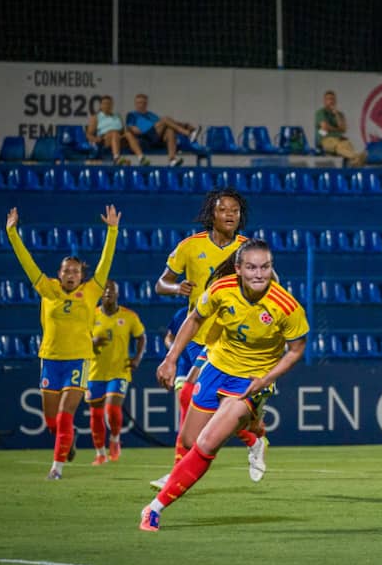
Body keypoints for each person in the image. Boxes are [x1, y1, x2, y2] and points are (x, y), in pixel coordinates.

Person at [140, 238, 309, 531]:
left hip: (252, 379)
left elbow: (295, 350)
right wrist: (170, 358)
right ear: (239, 269)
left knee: (207, 442)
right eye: (252, 267)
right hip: (217, 367)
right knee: (191, 441)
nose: (259, 274)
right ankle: (254, 436)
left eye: (266, 267)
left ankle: (154, 509)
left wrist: (266, 380)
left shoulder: (287, 306)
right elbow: (194, 319)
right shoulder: (220, 289)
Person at [150, 188, 267, 488]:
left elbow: (271, 282)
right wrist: (177, 289)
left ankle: (177, 473)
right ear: (211, 214)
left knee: (190, 397)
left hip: (227, 340)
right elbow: (161, 283)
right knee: (198, 404)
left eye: (235, 211)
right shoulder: (190, 246)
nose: (230, 215)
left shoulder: (246, 249)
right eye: (224, 209)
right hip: (193, 336)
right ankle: (253, 439)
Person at [6, 204, 121, 480]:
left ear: (82, 276)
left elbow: (106, 260)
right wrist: (12, 233)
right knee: (51, 421)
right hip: (50, 359)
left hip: (78, 359)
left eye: (75, 272)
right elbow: (27, 263)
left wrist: (112, 230)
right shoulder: (48, 289)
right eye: (67, 271)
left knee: (65, 413)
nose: (71, 275)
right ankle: (66, 442)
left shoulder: (91, 291)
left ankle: (56, 469)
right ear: (60, 273)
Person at [86, 280, 146, 465]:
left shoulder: (129, 316)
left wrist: (136, 358)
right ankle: (100, 453)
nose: (107, 294)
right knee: (96, 414)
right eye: (104, 292)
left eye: (111, 291)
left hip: (119, 371)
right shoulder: (91, 315)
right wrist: (92, 343)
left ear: (117, 294)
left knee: (112, 408)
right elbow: (79, 339)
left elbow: (141, 337)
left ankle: (114, 439)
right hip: (94, 372)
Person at [125, 93, 201, 168]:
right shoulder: (132, 115)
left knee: (170, 129)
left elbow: (167, 123)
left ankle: (172, 160)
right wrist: (150, 128)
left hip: (156, 137)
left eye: (144, 103)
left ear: (146, 104)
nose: (141, 105)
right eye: (139, 103)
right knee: (165, 119)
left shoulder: (151, 115)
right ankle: (188, 134)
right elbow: (135, 130)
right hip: (145, 137)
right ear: (135, 104)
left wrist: (185, 124)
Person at [86, 95, 149, 166]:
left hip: (119, 138)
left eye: (109, 104)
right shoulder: (96, 117)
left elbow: (123, 130)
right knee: (114, 133)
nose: (107, 105)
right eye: (105, 104)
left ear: (112, 105)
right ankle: (116, 158)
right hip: (105, 140)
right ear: (101, 106)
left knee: (128, 134)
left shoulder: (117, 116)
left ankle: (141, 158)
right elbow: (89, 134)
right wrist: (95, 139)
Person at [315, 90, 367, 167]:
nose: (331, 101)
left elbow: (344, 129)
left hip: (339, 139)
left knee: (348, 145)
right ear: (325, 101)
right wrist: (338, 129)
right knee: (339, 146)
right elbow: (325, 127)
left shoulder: (340, 114)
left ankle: (355, 162)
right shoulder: (320, 113)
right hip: (325, 139)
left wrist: (336, 114)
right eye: (328, 99)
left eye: (332, 99)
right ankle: (357, 157)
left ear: (335, 101)